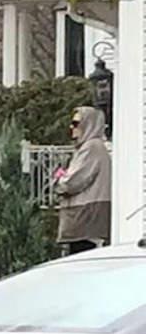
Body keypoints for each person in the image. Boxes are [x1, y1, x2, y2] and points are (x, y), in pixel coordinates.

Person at [56, 106, 112, 255]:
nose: (71, 127)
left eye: (76, 123)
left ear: (89, 124)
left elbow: (72, 182)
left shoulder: (91, 147)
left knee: (81, 260)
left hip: (85, 217)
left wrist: (60, 181)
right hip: (85, 215)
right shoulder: (92, 147)